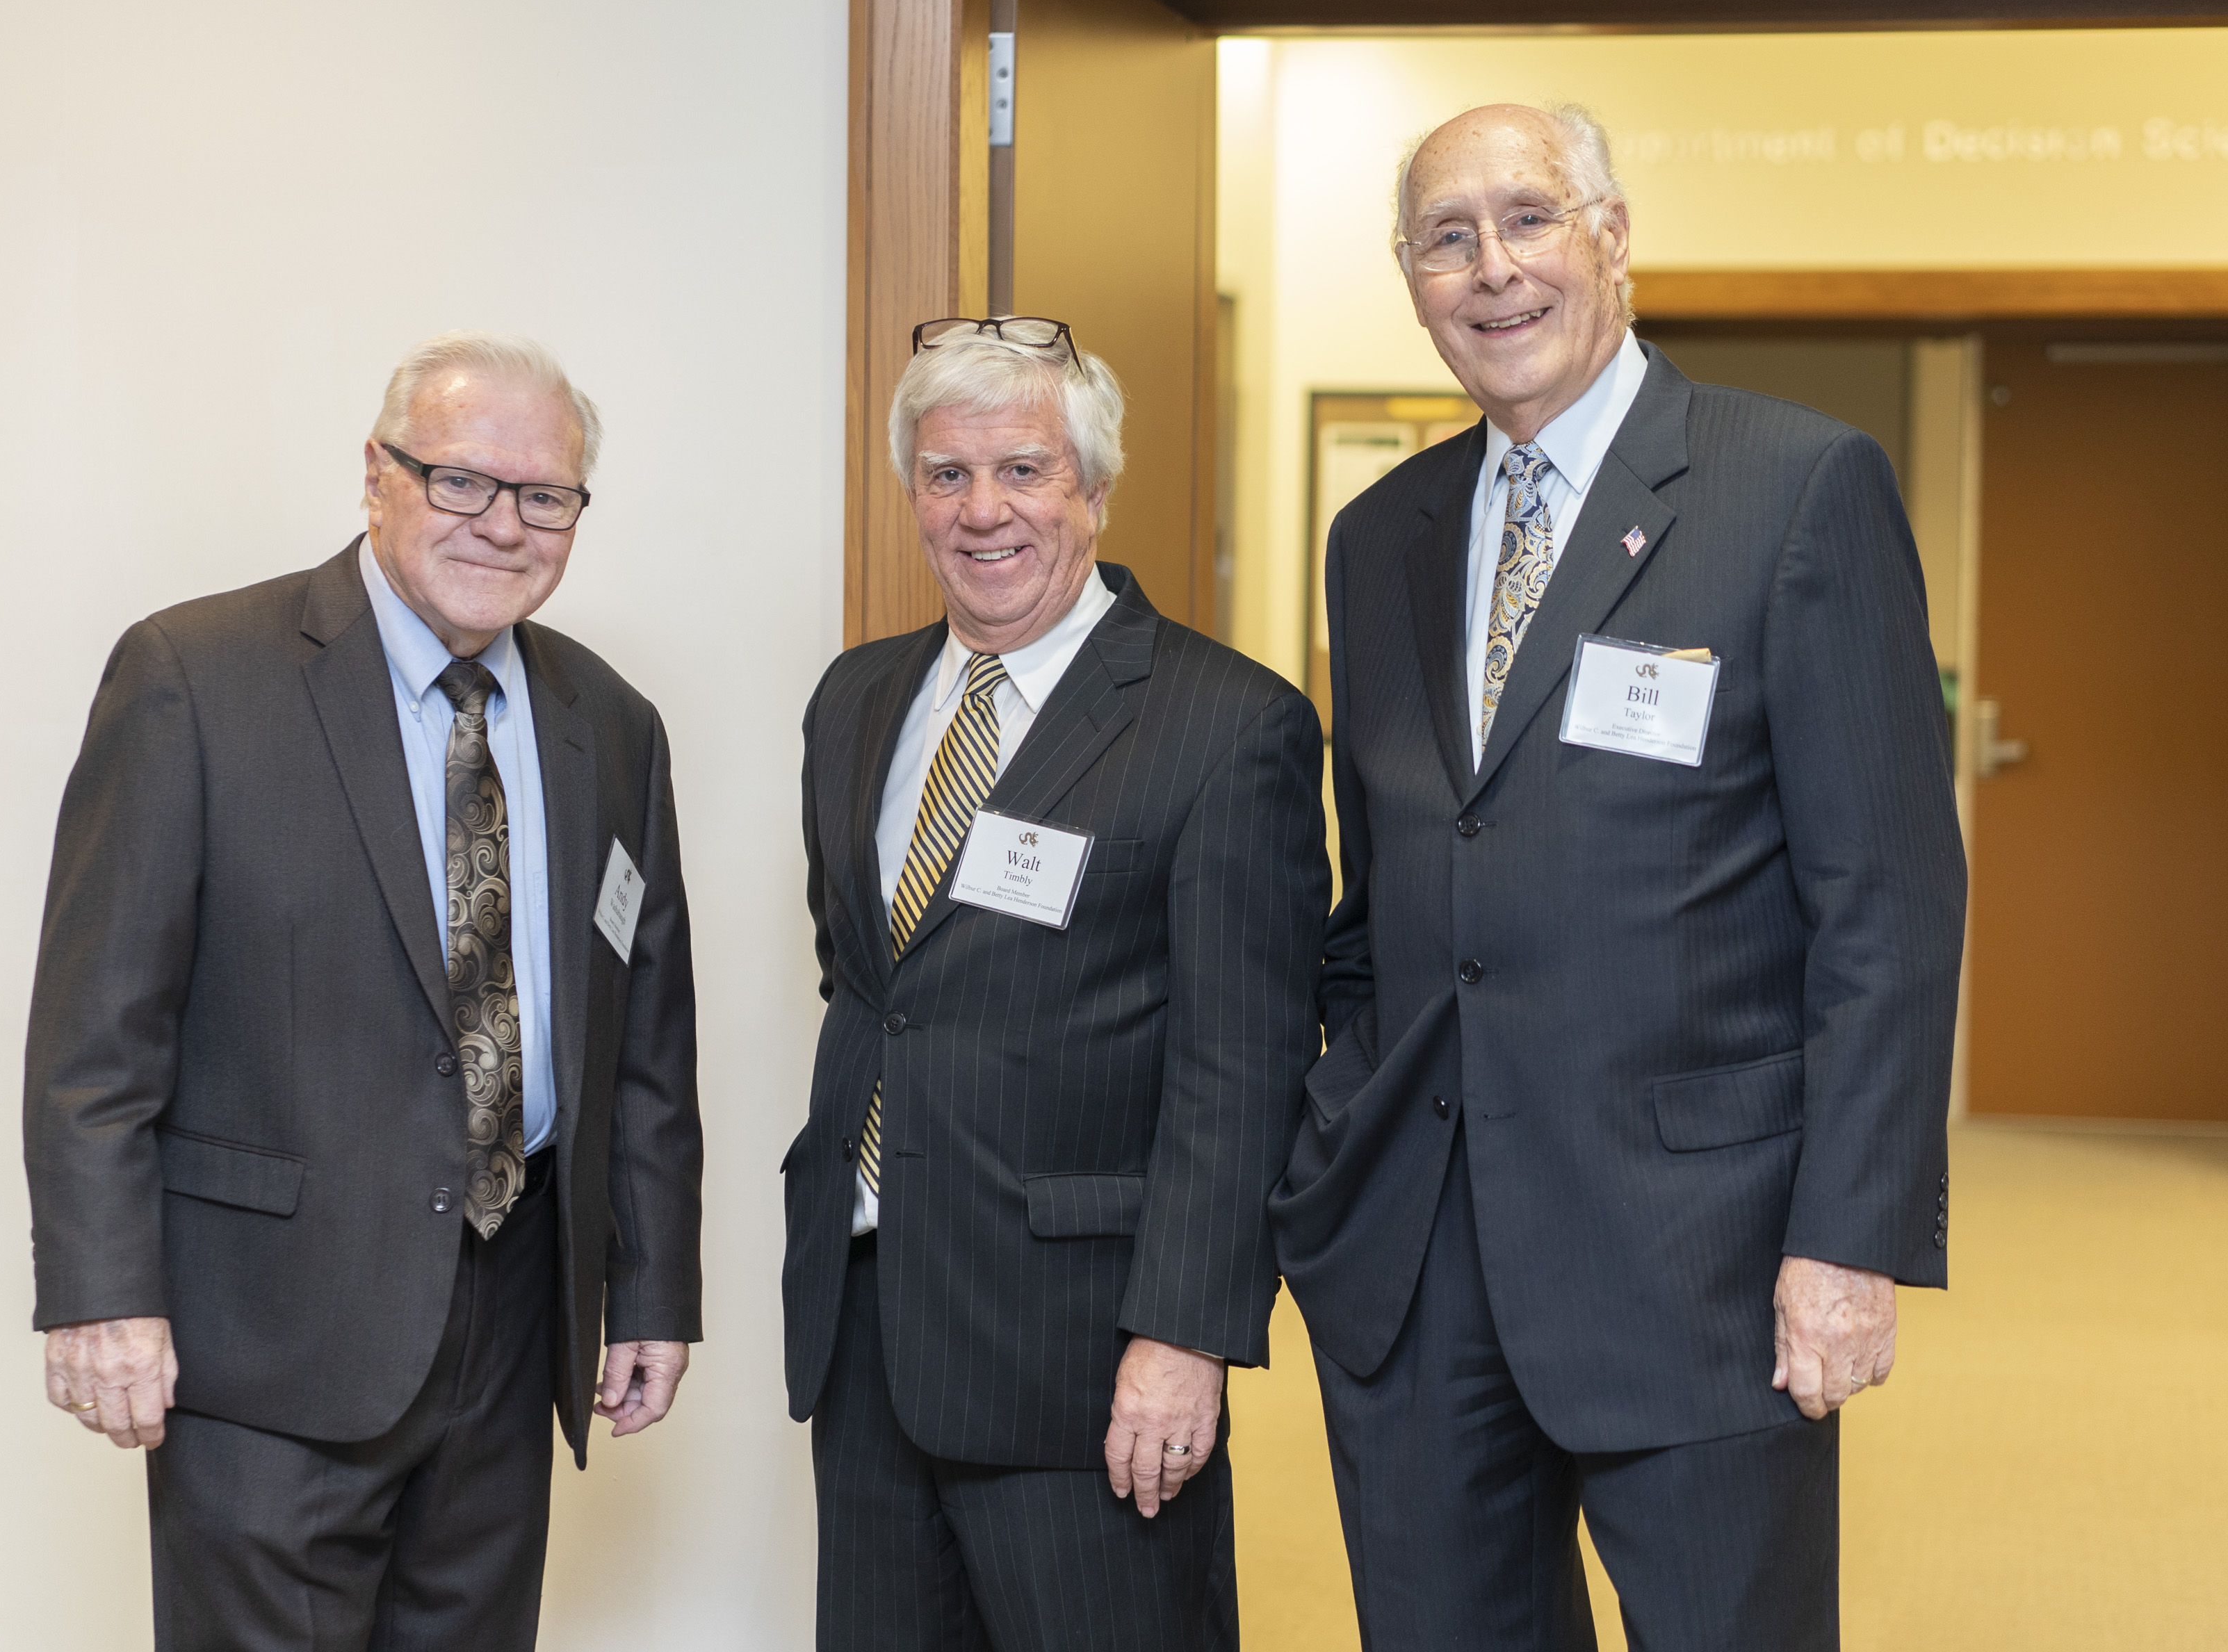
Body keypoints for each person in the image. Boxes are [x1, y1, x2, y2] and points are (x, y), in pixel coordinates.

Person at [1271, 105, 1964, 1650]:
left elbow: (1891, 909)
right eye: (1447, 238)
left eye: (1529, 220)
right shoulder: (1377, 539)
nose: (1492, 270)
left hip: (1699, 1255)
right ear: (1410, 276)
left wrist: (1847, 1244)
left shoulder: (1796, 489)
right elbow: (1389, 885)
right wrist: (1330, 1145)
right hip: (1421, 1256)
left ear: (1614, 237)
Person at [22, 331, 703, 1649]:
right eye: (459, 480)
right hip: (266, 1336)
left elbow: (646, 1043)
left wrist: (653, 1287)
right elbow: (94, 1036)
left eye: (543, 495)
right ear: (377, 477)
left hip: (512, 1331)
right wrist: (101, 1296)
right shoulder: (195, 678)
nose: (502, 525)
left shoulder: (611, 726)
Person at [783, 317, 1328, 1651]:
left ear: (1092, 488)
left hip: (1085, 1360)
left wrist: (1186, 1340)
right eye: (947, 475)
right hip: (866, 1327)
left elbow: (1243, 1068)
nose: (984, 513)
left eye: (1024, 471)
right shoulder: (856, 700)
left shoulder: (1225, 724)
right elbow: (869, 982)